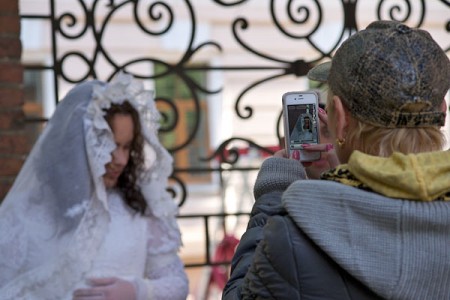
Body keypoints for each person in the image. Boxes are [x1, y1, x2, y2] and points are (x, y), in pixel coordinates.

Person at [223, 20, 450, 299]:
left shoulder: (292, 234)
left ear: (339, 119)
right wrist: (338, 182)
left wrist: (272, 200)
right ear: (442, 111)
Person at [0, 72, 189, 299]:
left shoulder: (139, 209)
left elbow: (177, 283)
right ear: (80, 143)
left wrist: (138, 290)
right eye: (111, 145)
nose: (121, 159)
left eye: (127, 147)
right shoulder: (27, 213)